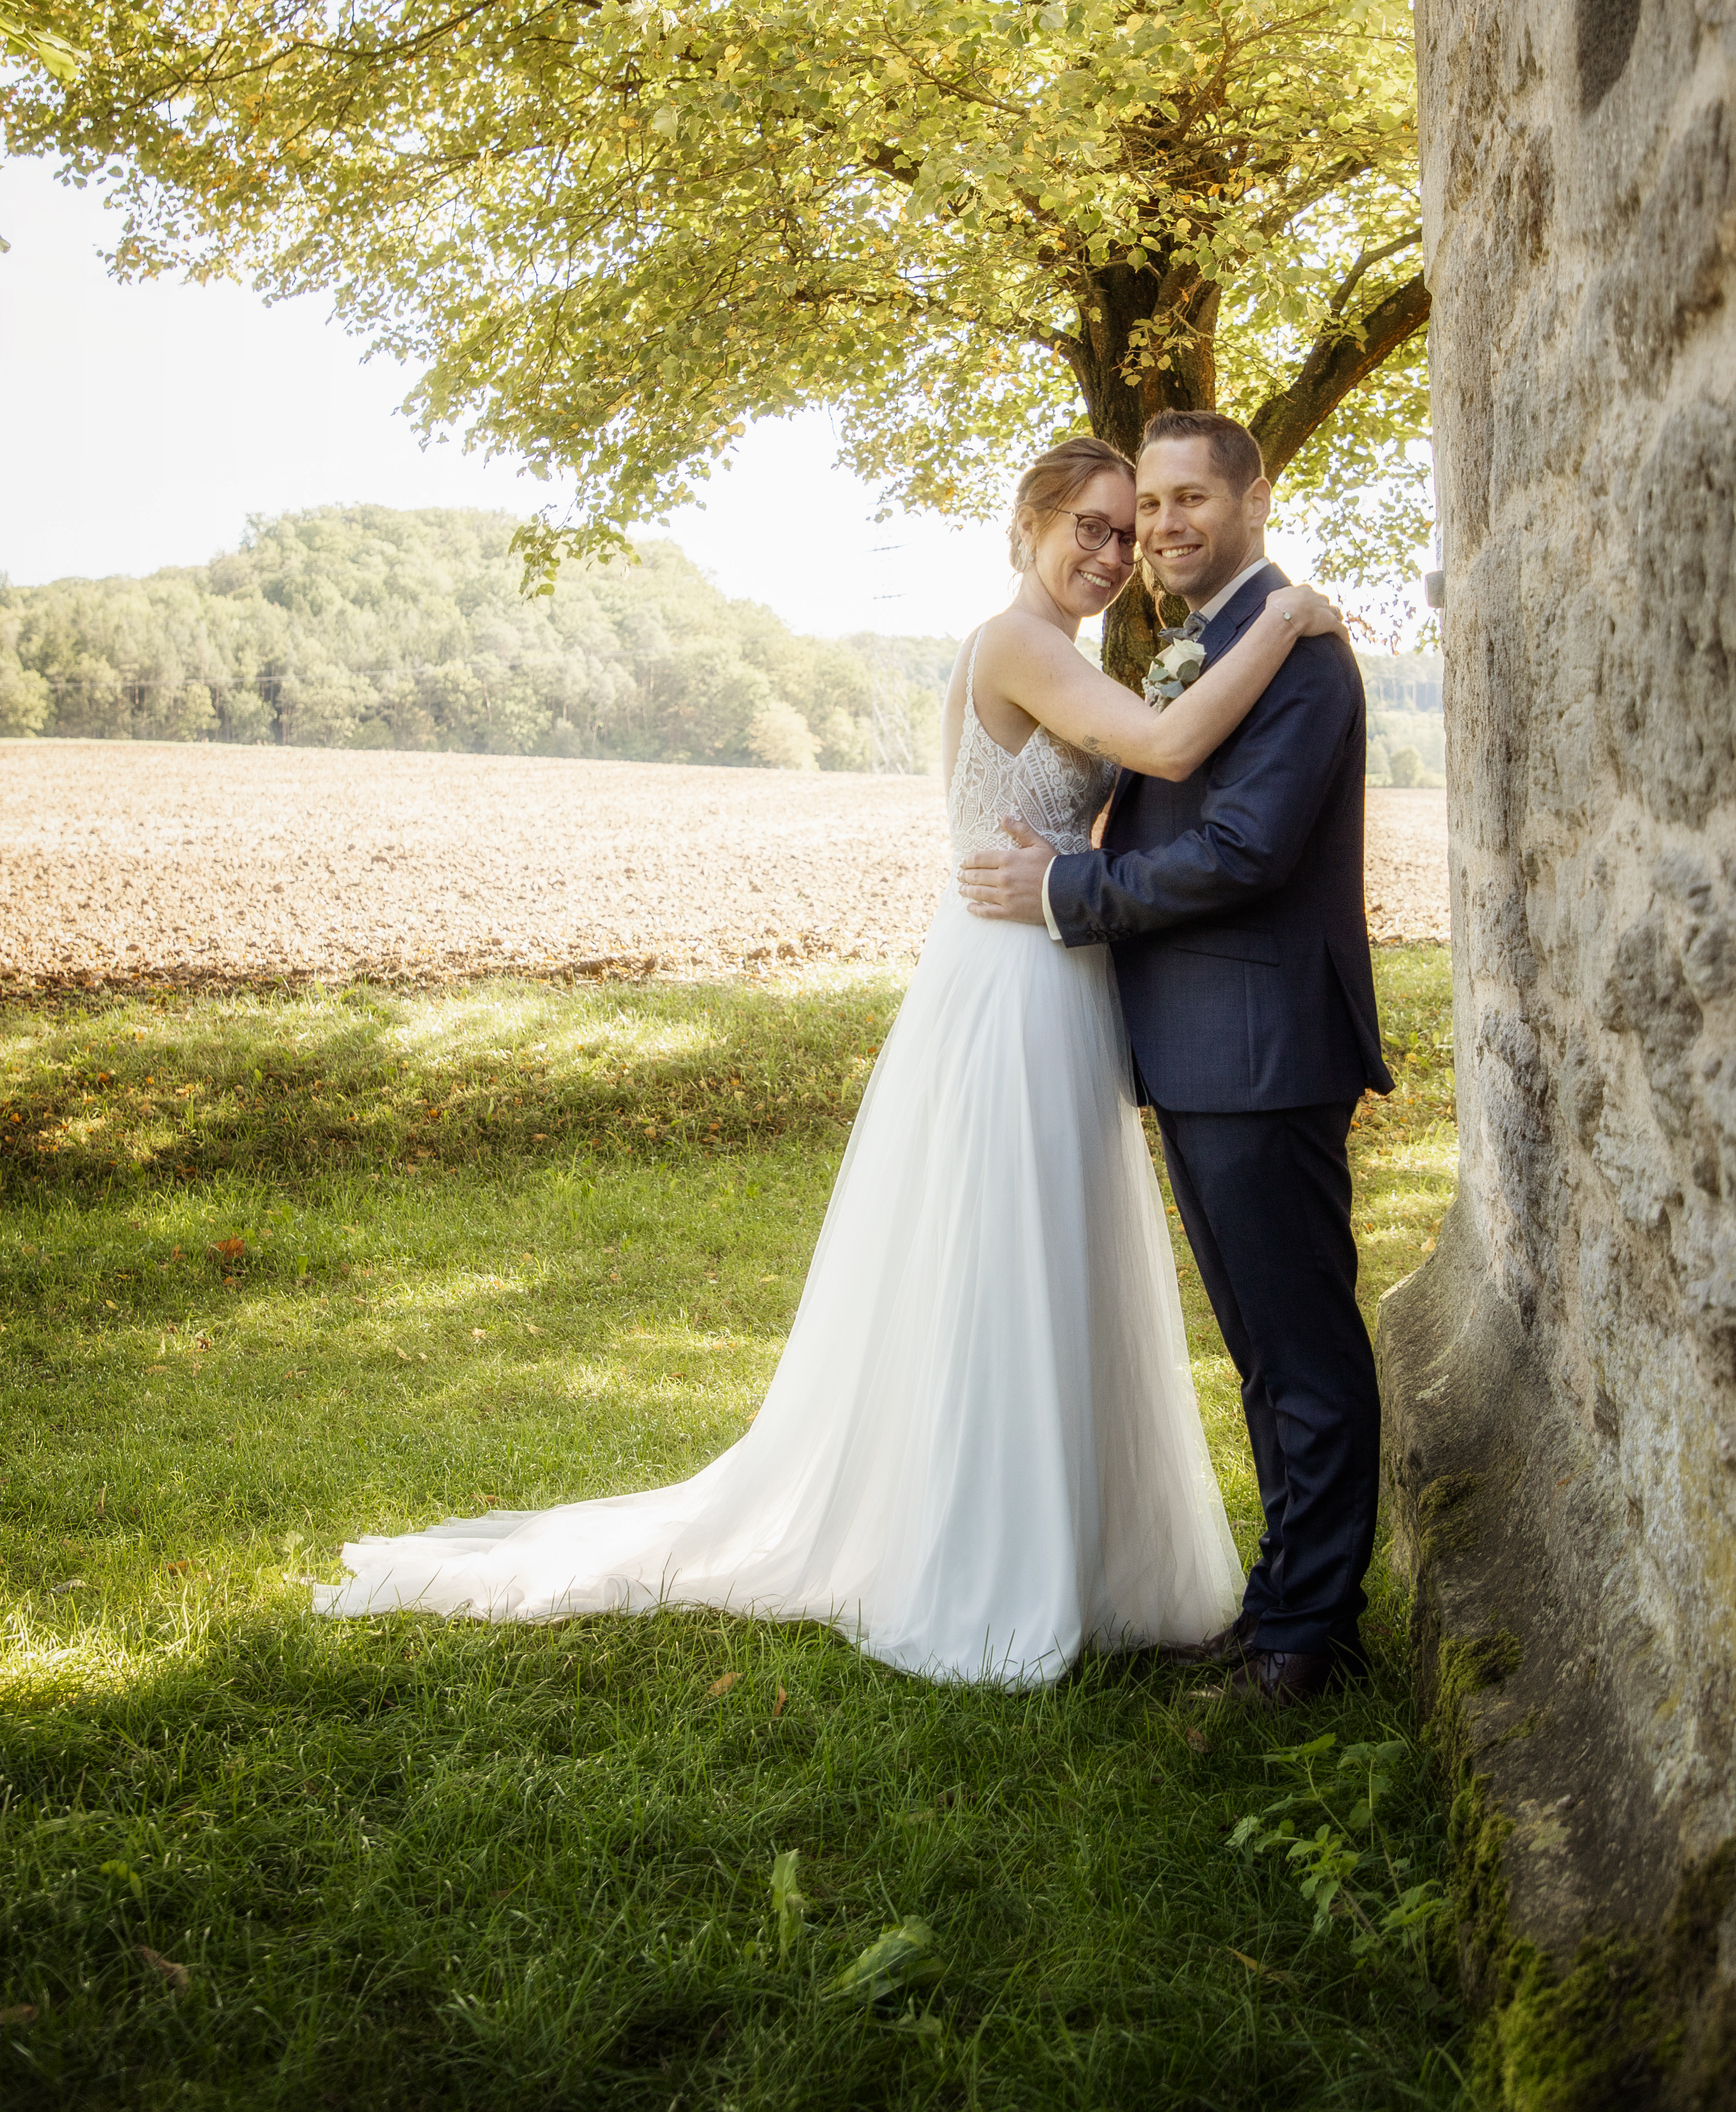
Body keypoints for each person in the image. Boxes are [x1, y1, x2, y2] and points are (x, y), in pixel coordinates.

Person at [314, 435, 1345, 1687]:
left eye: (1132, 530)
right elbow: (1173, 752)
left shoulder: (1076, 658)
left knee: (1060, 1261)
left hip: (1059, 969)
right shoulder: (1022, 643)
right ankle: (994, 1558)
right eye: (1095, 523)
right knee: (1006, 1260)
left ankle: (1137, 1571)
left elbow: (1147, 789)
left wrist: (1082, 856)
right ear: (1027, 525)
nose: (1118, 551)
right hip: (1017, 977)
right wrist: (1282, 619)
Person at [960, 410, 1392, 1705]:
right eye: (1145, 505)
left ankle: (1305, 1641)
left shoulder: (1301, 655)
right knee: (1265, 1352)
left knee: (1301, 1350)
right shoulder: (1197, 648)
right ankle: (1284, 1615)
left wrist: (1069, 893)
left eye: (1188, 499)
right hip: (1207, 1053)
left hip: (1263, 1050)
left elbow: (1246, 849)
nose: (1160, 528)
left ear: (1256, 501)